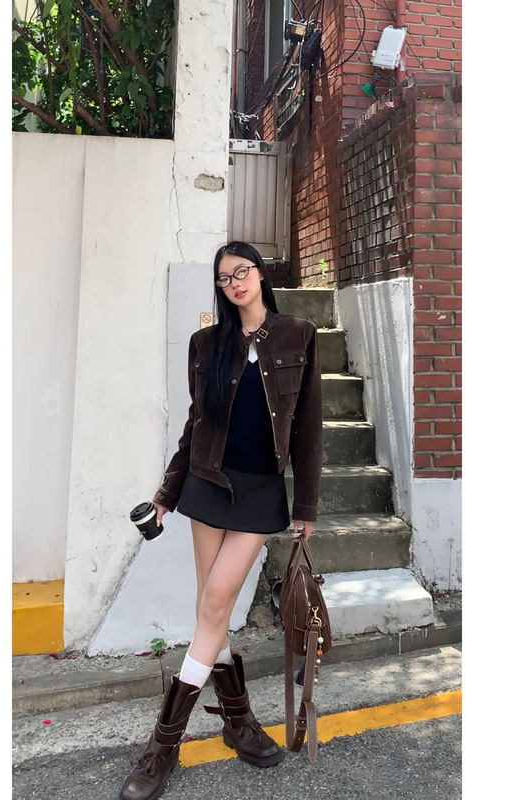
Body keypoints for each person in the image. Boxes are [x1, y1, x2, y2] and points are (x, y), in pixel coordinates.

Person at [119, 241, 323, 800]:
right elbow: (196, 424)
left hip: (259, 495)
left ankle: (162, 746)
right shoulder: (206, 343)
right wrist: (165, 496)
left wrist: (305, 507)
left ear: (260, 274)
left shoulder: (299, 335)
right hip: (208, 485)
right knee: (211, 610)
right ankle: (238, 721)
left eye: (243, 271)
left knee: (212, 606)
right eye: (225, 277)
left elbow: (308, 430)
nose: (235, 283)